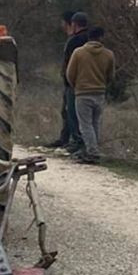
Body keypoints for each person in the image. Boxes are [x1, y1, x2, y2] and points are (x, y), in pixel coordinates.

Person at [66, 25, 116, 164]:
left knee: (85, 125)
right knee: (95, 123)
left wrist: (76, 85)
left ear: (89, 37)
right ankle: (92, 149)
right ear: (101, 37)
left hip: (82, 93)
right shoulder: (108, 54)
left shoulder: (78, 53)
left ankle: (92, 152)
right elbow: (111, 75)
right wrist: (102, 84)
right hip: (100, 93)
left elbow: (70, 74)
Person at [50, 12, 91, 153]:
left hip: (74, 83)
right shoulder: (90, 39)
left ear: (73, 24)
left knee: (72, 113)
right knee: (79, 115)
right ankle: (70, 140)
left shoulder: (74, 41)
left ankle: (75, 142)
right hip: (88, 83)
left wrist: (68, 79)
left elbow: (71, 63)